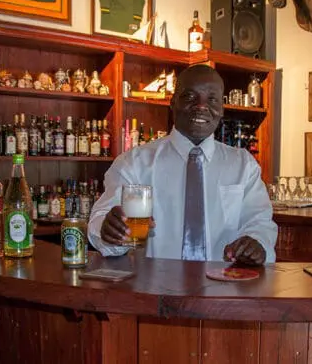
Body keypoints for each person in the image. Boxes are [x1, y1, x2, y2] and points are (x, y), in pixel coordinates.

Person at [88, 64, 277, 266]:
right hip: (154, 290)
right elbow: (100, 219)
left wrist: (257, 243)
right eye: (190, 97)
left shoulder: (243, 165)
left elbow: (259, 221)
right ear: (172, 102)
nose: (201, 106)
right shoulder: (133, 163)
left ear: (221, 109)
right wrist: (108, 229)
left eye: (212, 99)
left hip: (224, 289)